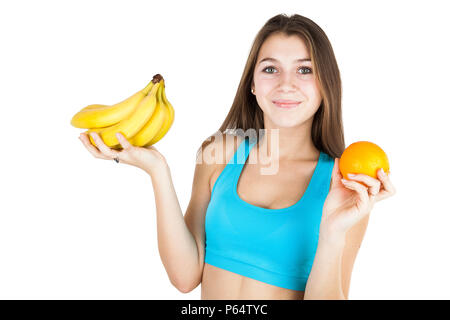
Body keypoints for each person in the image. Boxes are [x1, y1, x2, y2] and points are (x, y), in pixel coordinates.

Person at [78, 13, 396, 300]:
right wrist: (158, 171)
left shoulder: (344, 187)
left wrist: (332, 234)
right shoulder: (218, 153)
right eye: (270, 69)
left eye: (304, 69)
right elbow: (185, 277)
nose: (287, 84)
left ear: (326, 84)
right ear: (253, 85)